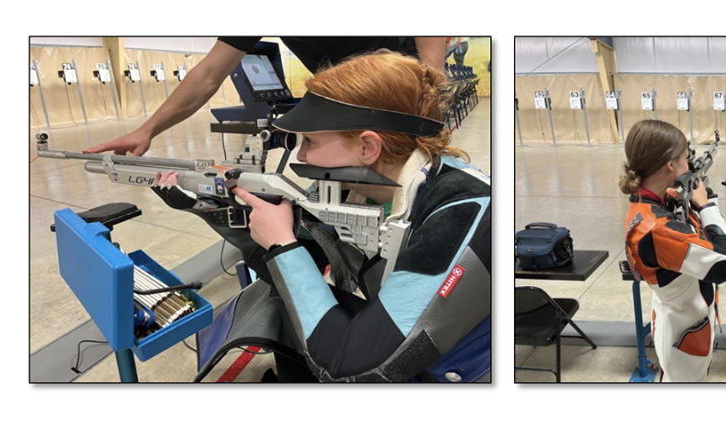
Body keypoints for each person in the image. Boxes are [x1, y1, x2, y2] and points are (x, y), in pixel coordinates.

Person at [155, 50, 489, 382]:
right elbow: (288, 271)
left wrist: (283, 245)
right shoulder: (350, 186)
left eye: (310, 141)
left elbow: (354, 370)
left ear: (367, 147)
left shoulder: (462, 209)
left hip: (452, 365)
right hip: (402, 331)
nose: (300, 154)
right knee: (281, 305)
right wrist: (219, 210)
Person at [84, 37, 446, 156]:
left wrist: (428, 91)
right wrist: (148, 130)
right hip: (343, 100)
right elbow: (209, 73)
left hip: (402, 92)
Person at [619, 120, 726, 382]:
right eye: (686, 159)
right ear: (670, 166)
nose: (690, 165)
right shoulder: (658, 229)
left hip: (684, 318)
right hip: (684, 332)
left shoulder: (650, 201)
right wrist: (707, 205)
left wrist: (689, 200)